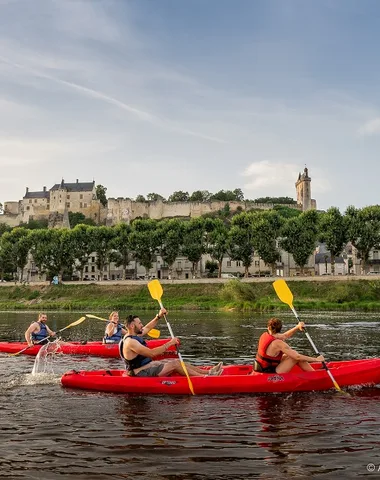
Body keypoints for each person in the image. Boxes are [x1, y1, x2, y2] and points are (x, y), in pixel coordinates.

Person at [120, 310, 223, 377]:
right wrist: (169, 343)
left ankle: (209, 372)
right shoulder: (130, 342)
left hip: (146, 367)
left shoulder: (135, 335)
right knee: (174, 365)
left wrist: (158, 316)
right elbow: (152, 353)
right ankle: (205, 378)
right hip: (139, 373)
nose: (142, 325)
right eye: (139, 323)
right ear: (132, 326)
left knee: (176, 361)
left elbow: (147, 327)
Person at [253, 317, 324, 374]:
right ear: (280, 328)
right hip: (268, 372)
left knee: (288, 355)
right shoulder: (278, 343)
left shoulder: (265, 335)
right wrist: (316, 359)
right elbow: (297, 357)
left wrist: (297, 327)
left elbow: (285, 335)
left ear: (268, 327)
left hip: (262, 367)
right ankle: (315, 375)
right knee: (295, 357)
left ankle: (313, 373)